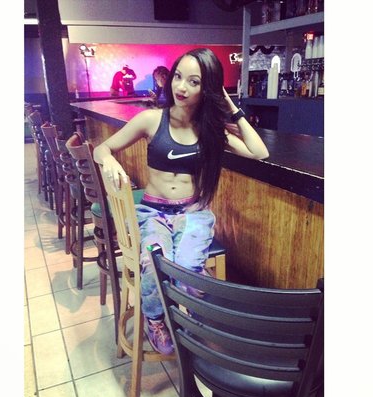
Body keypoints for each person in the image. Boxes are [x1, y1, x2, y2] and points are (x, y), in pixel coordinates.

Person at [94, 48, 269, 355]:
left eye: (193, 81)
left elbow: (259, 152)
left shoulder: (211, 130)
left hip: (192, 213)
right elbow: (101, 149)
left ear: (207, 88)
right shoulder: (151, 120)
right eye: (177, 77)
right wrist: (108, 159)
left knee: (187, 268)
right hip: (153, 213)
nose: (181, 87)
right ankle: (156, 319)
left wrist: (231, 105)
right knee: (154, 263)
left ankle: (190, 312)